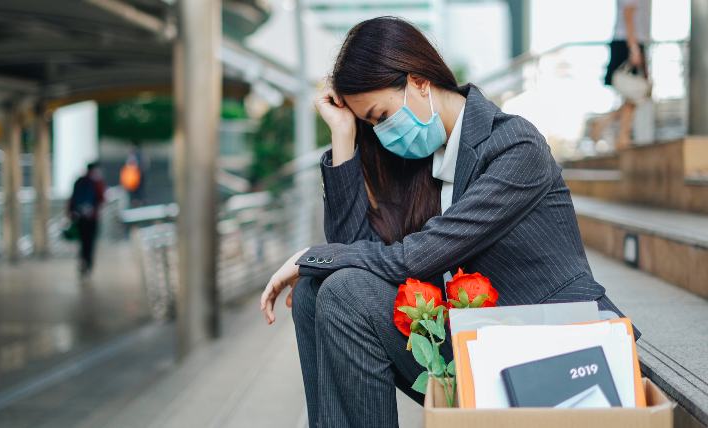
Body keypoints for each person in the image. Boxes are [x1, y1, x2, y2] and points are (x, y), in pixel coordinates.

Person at [259, 17, 639, 428]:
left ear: (420, 82)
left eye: (381, 115)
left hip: (546, 344)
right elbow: (355, 251)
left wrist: (313, 255)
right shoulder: (421, 164)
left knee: (340, 288)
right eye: (371, 124)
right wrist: (343, 135)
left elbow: (412, 258)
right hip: (473, 339)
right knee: (319, 290)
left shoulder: (515, 146)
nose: (383, 133)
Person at [593, 0, 651, 150]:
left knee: (634, 97)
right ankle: (616, 132)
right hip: (628, 42)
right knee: (639, 94)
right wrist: (634, 48)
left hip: (632, 42)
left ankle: (620, 135)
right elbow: (628, 15)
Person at [68, 161, 105, 278]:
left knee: (83, 241)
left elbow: (72, 198)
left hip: (81, 217)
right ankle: (87, 263)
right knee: (89, 241)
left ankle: (83, 261)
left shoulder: (80, 181)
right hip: (91, 218)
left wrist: (71, 212)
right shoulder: (96, 183)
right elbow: (102, 198)